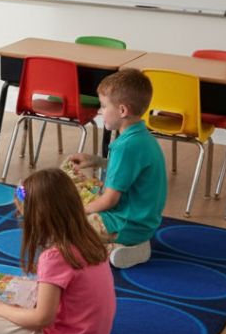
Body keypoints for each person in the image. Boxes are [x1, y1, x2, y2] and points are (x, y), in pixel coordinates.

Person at [0, 167, 116, 334]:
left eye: (22, 214)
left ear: (38, 218)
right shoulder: (89, 239)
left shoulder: (55, 256)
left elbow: (42, 319)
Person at [69, 69, 167, 269]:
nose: (100, 111)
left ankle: (119, 249)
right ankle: (124, 244)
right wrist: (97, 161)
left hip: (126, 223)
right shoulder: (141, 137)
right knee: (77, 196)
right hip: (142, 221)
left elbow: (110, 199)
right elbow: (131, 170)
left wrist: (78, 212)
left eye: (104, 106)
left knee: (65, 228)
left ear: (122, 111)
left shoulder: (126, 146)